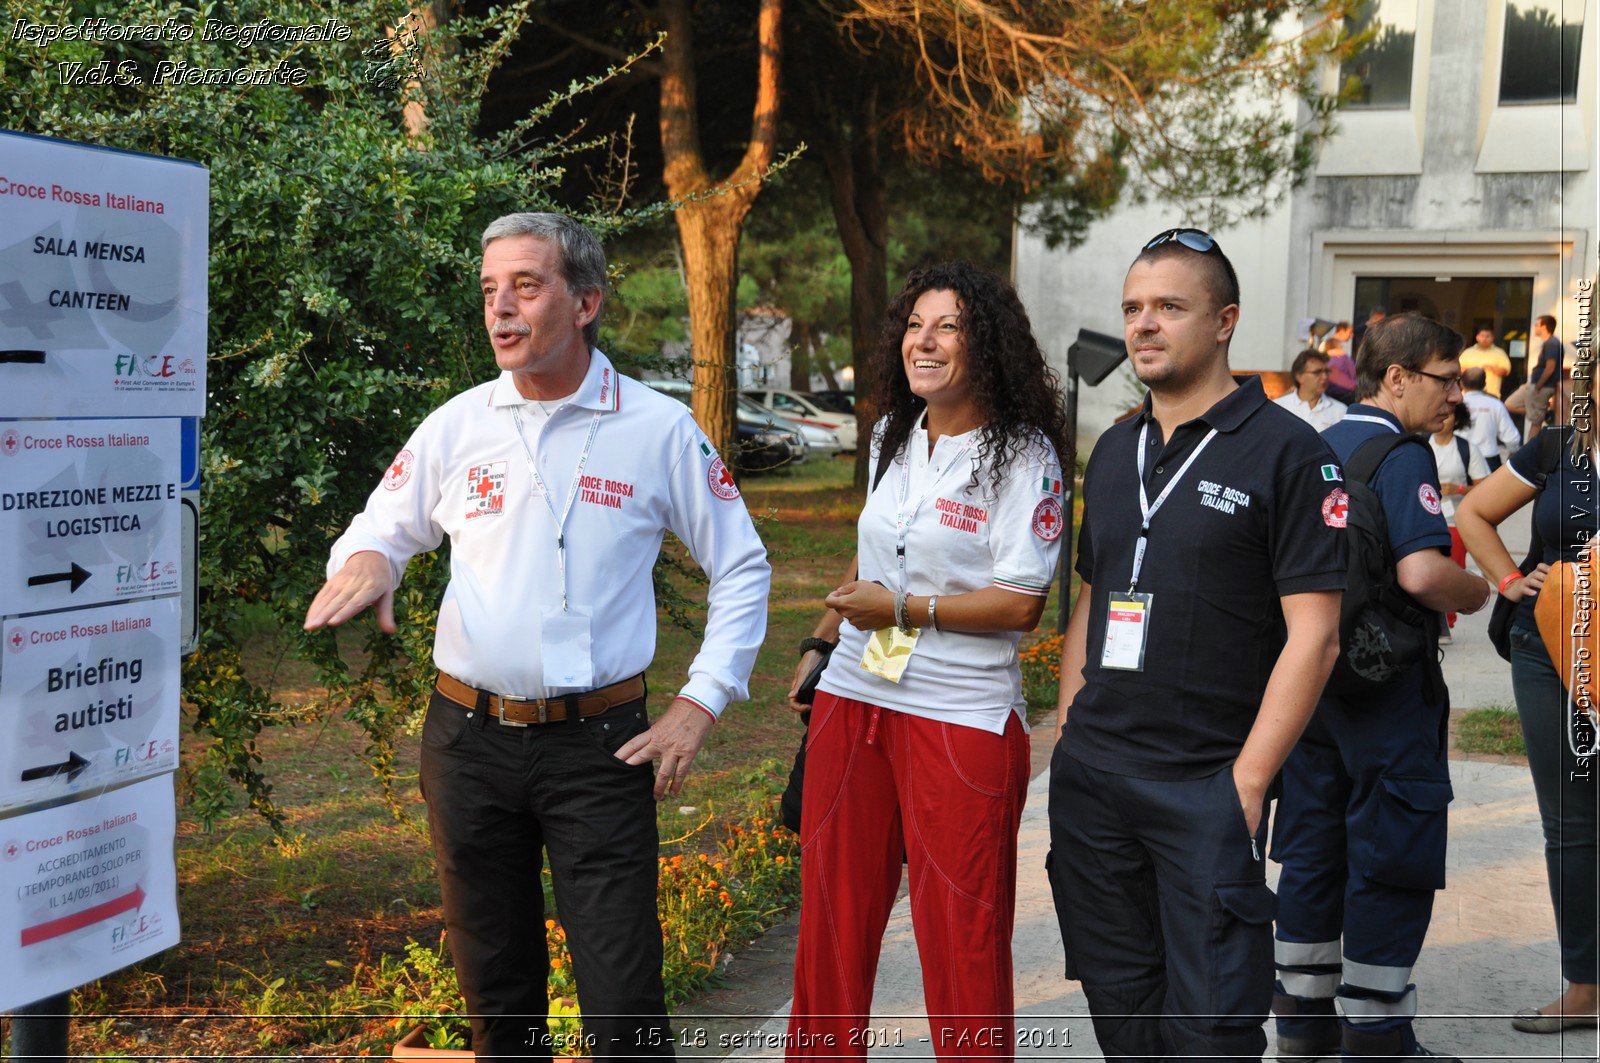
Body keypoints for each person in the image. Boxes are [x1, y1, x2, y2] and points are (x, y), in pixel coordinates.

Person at [304, 212, 772, 1060]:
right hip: (467, 743)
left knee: (625, 1007)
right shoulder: (458, 424)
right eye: (489, 290)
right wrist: (372, 557)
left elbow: (743, 566)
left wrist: (700, 703)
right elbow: (382, 522)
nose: (500, 309)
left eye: (525, 285)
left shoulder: (658, 428)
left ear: (586, 300)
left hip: (600, 751)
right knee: (499, 1001)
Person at [1049, 227, 1345, 1061]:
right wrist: (1070, 732)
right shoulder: (1113, 450)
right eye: (1134, 308)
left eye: (1169, 307)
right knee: (1124, 1015)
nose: (1145, 325)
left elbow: (1315, 638)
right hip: (1095, 784)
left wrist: (1246, 783)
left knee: (1211, 1031)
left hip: (1204, 788)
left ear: (1224, 321)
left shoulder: (1291, 453)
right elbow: (1093, 596)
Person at [783, 262, 1067, 1062]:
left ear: (989, 345)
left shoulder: (1024, 455)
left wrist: (903, 611)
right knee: (831, 928)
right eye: (915, 324)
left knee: (963, 939)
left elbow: (1022, 602)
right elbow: (873, 558)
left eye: (948, 326)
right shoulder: (891, 435)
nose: (926, 340)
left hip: (960, 718)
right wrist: (821, 639)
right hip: (855, 699)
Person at [1271, 312, 1493, 1062]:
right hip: (1389, 691)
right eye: (1446, 376)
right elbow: (1421, 572)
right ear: (1395, 377)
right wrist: (1478, 591)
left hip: (1314, 685)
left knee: (1311, 849)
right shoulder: (1402, 456)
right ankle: (1378, 1033)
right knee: (1390, 854)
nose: (1456, 396)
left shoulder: (1316, 445)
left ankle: (1301, 1022)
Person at [1457, 375, 1599, 1038]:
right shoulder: (1556, 450)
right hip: (1548, 646)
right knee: (1570, 819)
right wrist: (1512, 580)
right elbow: (1473, 513)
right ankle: (1585, 983)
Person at [1426, 403, 1490, 636]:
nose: (1444, 416)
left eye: (1450, 412)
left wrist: (1459, 488)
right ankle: (1435, 620)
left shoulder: (1467, 449)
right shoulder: (1420, 444)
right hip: (1425, 519)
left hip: (1456, 520)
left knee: (1453, 569)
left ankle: (1447, 621)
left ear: (1458, 418)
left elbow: (1486, 487)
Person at [1512, 315, 1565, 438]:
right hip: (1535, 385)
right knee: (1510, 404)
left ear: (1544, 326)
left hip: (1543, 387)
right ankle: (1543, 413)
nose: (1535, 327)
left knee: (1536, 423)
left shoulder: (1552, 343)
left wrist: (1538, 387)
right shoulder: (1548, 343)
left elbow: (1550, 368)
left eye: (1537, 324)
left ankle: (1530, 451)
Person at [1461, 366, 1521, 472]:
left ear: (1462, 383)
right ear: (1484, 384)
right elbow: (1512, 438)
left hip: (1460, 459)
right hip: (1488, 459)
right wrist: (1513, 453)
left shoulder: (1456, 405)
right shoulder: (1496, 405)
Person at [1275, 347, 1348, 430]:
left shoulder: (1340, 411)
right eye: (1317, 372)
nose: (1324, 377)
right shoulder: (1279, 407)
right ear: (1299, 376)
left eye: (1327, 372)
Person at [1458, 327, 1513, 398]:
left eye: (1487, 336)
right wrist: (1469, 370)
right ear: (1477, 337)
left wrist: (1492, 368)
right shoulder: (1468, 352)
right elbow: (1457, 370)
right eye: (1482, 336)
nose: (1484, 339)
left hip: (1491, 395)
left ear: (1492, 338)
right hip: (1467, 395)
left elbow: (1505, 371)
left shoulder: (1500, 353)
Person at [1322, 322, 1358, 404]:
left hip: (1328, 393)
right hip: (1344, 394)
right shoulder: (1342, 356)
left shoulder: (1325, 347)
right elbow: (1353, 374)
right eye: (1350, 332)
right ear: (1342, 330)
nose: (1352, 335)